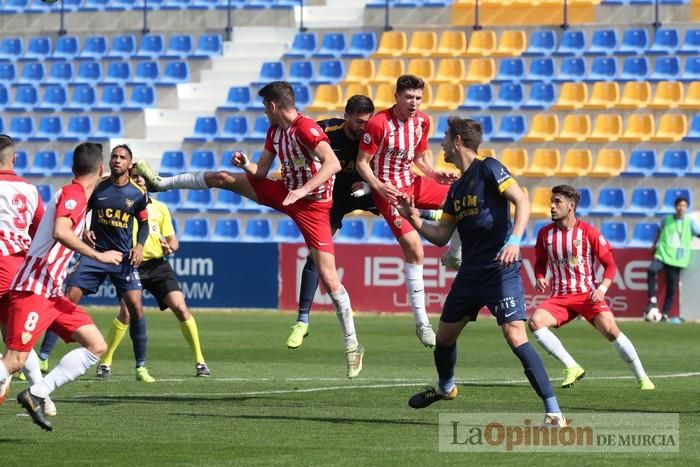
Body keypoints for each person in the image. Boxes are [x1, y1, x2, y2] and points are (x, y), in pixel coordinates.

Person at [135, 81, 364, 379]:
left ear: (272, 105)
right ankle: (161, 183)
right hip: (285, 192)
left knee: (330, 279)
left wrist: (304, 190)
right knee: (224, 177)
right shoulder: (275, 132)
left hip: (314, 207)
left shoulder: (306, 128)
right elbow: (262, 172)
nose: (263, 112)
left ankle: (352, 346)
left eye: (264, 107)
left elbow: (332, 163)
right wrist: (247, 165)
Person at [395, 117, 566, 426]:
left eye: (445, 139)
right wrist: (412, 217)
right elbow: (441, 235)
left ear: (458, 140)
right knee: (444, 337)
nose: (442, 145)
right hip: (470, 273)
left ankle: (553, 411)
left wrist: (515, 240)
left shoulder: (489, 167)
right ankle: (446, 387)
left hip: (500, 269)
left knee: (515, 335)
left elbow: (522, 200)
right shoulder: (457, 188)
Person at [287, 95, 444, 349]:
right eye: (358, 122)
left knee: (400, 206)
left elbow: (393, 167)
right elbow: (300, 149)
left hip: (369, 190)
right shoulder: (327, 130)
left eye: (366, 122)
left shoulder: (375, 132)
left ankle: (426, 213)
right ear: (346, 116)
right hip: (335, 197)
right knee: (316, 254)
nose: (363, 127)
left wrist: (372, 185)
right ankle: (302, 320)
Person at [0, 142, 123, 431]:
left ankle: (36, 393)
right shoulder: (73, 193)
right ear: (101, 168)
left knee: (96, 346)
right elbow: (59, 231)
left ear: (72, 168)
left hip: (52, 293)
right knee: (14, 360)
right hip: (34, 287)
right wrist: (97, 254)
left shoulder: (79, 194)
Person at [356, 74, 458, 349]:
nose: (413, 103)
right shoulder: (379, 123)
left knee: (463, 198)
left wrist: (435, 173)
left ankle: (454, 256)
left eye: (418, 98)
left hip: (413, 183)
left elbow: (420, 158)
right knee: (416, 249)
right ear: (397, 96)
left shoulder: (422, 121)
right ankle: (422, 323)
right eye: (408, 97)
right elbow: (362, 163)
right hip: (390, 192)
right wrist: (379, 187)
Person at [42, 144, 154, 383]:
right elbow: (81, 211)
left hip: (122, 257)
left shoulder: (137, 193)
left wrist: (139, 245)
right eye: (114, 156)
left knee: (135, 306)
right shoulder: (97, 187)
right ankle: (43, 356)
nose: (117, 160)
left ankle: (141, 366)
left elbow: (144, 224)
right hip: (95, 254)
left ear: (129, 164)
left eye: (122, 157)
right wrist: (84, 231)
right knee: (69, 296)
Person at [528, 185, 655, 391]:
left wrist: (602, 289)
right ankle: (572, 367)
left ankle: (643, 378)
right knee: (535, 322)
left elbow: (610, 265)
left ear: (571, 206)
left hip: (588, 295)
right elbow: (540, 262)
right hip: (560, 297)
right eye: (551, 202)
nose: (552, 206)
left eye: (557, 202)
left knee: (612, 332)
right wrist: (540, 276)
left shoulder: (589, 232)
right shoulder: (544, 234)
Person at [94, 165, 210, 378]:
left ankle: (200, 362)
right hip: (131, 264)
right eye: (135, 177)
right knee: (126, 313)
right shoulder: (123, 204)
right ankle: (106, 362)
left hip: (157, 265)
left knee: (181, 307)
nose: (138, 181)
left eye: (141, 178)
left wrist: (170, 247)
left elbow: (173, 240)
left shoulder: (160, 208)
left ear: (147, 183)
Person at [0, 134, 57, 417]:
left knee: (14, 341)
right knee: (16, 340)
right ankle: (43, 395)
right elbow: (40, 231)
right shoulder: (31, 190)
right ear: (15, 158)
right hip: (19, 268)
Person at [646, 196, 700, 323]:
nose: (681, 207)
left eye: (684, 205)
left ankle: (665, 314)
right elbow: (659, 231)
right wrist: (654, 245)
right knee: (651, 270)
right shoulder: (666, 219)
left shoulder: (690, 222)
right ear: (675, 207)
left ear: (686, 208)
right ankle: (653, 300)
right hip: (663, 254)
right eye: (679, 205)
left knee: (671, 288)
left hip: (677, 259)